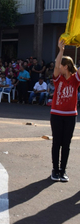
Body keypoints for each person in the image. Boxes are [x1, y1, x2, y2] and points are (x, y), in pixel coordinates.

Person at [50, 39, 80, 182]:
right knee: (57, 142)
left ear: (66, 66)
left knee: (66, 144)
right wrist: (61, 50)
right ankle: (55, 170)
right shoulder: (57, 78)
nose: (58, 67)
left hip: (70, 115)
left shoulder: (75, 79)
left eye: (61, 65)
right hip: (56, 114)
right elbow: (56, 65)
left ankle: (63, 170)